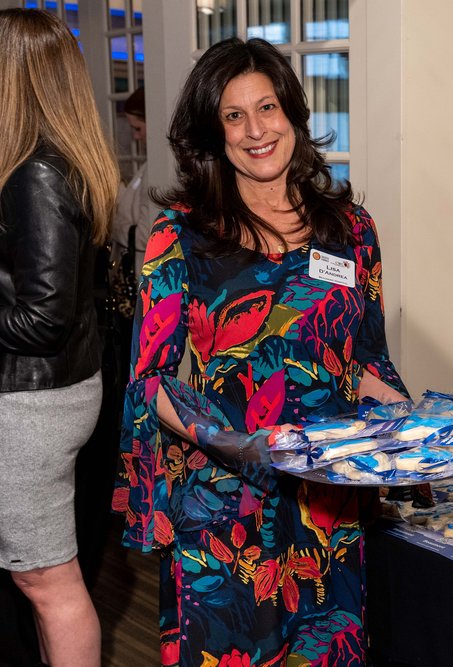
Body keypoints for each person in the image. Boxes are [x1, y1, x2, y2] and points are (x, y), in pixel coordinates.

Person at [112, 36, 407, 666]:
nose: (255, 130)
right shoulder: (183, 233)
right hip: (225, 514)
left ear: (294, 114)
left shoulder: (352, 229)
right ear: (214, 135)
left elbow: (369, 362)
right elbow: (153, 379)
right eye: (234, 116)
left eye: (267, 108)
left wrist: (412, 436)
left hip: (327, 507)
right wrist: (233, 442)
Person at [0, 8, 120, 667]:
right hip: (51, 393)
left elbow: (43, 319)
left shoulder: (36, 174)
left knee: (47, 581)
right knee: (41, 576)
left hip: (35, 402)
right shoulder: (51, 164)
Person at [111, 86, 154, 281]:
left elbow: (148, 236)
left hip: (144, 278)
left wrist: (111, 226)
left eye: (138, 128)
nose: (136, 136)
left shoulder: (156, 169)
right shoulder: (149, 163)